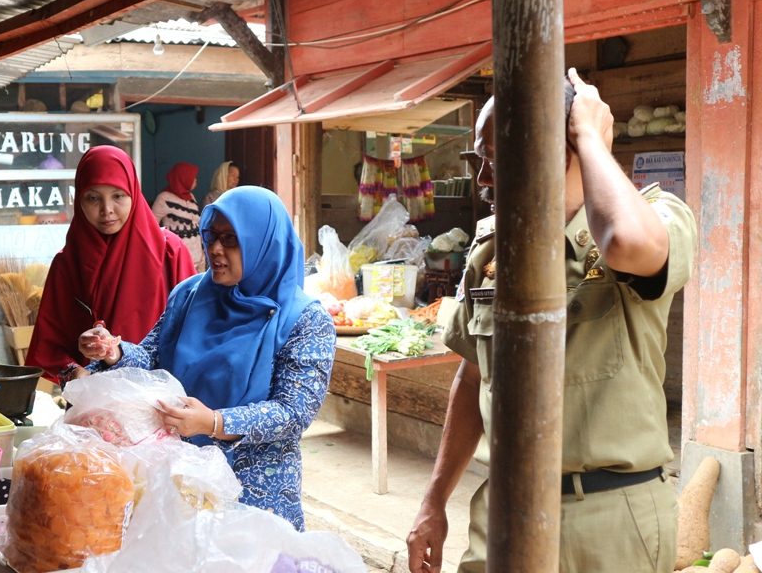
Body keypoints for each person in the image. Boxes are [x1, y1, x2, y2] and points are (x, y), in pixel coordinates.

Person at [405, 69, 696, 573]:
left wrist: (588, 135)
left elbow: (625, 242)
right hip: (506, 506)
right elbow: (474, 375)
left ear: (561, 151)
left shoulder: (657, 214)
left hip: (612, 516)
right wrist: (433, 501)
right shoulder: (489, 249)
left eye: (497, 161)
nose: (483, 180)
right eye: (481, 160)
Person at [78, 186, 335, 531]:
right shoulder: (190, 295)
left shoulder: (305, 319)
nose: (214, 249)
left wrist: (214, 422)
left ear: (263, 243)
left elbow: (293, 412)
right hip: (173, 478)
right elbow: (153, 360)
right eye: (212, 236)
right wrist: (114, 351)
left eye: (231, 240)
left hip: (252, 492)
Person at [25, 145, 195, 383]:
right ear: (79, 200)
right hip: (92, 402)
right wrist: (74, 370)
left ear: (134, 194)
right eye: (93, 198)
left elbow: (193, 332)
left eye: (118, 196)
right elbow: (49, 346)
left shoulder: (169, 252)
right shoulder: (68, 263)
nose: (107, 210)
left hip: (159, 399)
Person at [151, 162, 204, 272]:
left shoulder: (191, 197)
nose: (195, 180)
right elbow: (151, 227)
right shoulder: (164, 198)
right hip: (176, 258)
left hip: (197, 258)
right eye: (193, 177)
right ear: (183, 177)